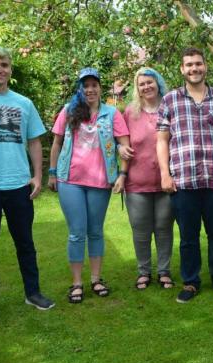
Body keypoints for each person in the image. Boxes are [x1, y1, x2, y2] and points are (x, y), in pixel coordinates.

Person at [0, 45, 55, 324]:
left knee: (25, 244)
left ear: (10, 69)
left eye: (4, 65)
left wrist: (37, 176)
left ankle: (33, 293)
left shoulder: (24, 103)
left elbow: (34, 141)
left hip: (18, 186)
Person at [156, 47, 213, 303]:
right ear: (182, 69)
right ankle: (191, 282)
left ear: (205, 66)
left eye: (198, 64)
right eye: (189, 65)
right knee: (188, 238)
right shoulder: (170, 100)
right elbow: (162, 140)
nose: (194, 68)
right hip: (184, 181)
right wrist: (165, 174)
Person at [48, 67, 131, 303]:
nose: (90, 90)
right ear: (80, 89)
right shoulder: (69, 110)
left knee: (95, 231)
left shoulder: (112, 114)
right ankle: (76, 283)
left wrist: (122, 173)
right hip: (70, 180)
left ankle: (96, 279)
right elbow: (56, 143)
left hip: (100, 181)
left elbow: (124, 144)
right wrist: (52, 173)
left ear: (100, 88)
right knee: (77, 233)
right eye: (85, 86)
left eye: (94, 85)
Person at [121, 67, 175, 290]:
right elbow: (121, 140)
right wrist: (120, 148)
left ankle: (164, 271)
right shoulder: (130, 113)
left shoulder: (170, 108)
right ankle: (143, 272)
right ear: (137, 88)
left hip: (167, 182)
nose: (146, 87)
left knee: (164, 228)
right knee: (141, 230)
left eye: (149, 82)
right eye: (141, 84)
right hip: (137, 182)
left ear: (158, 83)